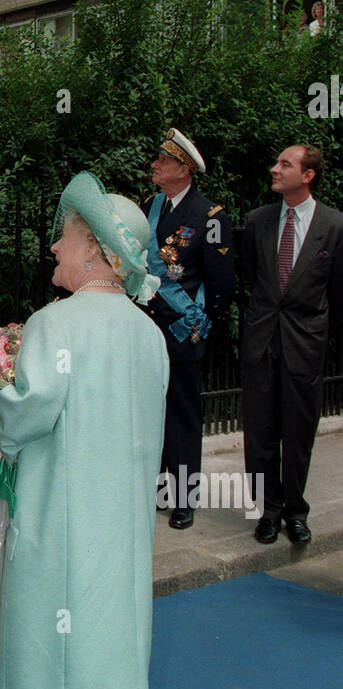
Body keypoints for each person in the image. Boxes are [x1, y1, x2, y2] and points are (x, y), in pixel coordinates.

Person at [0, 172, 168, 689]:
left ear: (92, 247)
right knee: (99, 628)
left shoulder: (53, 324)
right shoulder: (148, 334)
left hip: (55, 512)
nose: (53, 249)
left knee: (38, 629)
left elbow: (22, 419)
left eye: (63, 236)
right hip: (118, 522)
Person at [242, 145, 343, 546]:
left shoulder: (334, 226)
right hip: (262, 341)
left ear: (308, 175)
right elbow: (253, 278)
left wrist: (316, 332)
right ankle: (267, 511)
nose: (274, 169)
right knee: (260, 430)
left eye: (285, 164)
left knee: (299, 431)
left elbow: (337, 292)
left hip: (306, 344)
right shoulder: (258, 221)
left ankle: (295, 511)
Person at [143, 129, 235, 529]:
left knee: (182, 413)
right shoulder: (152, 205)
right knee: (153, 412)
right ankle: (161, 488)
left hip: (183, 327)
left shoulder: (209, 216)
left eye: (163, 161)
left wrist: (202, 324)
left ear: (183, 169)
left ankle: (183, 497)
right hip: (149, 326)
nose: (155, 166)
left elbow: (221, 282)